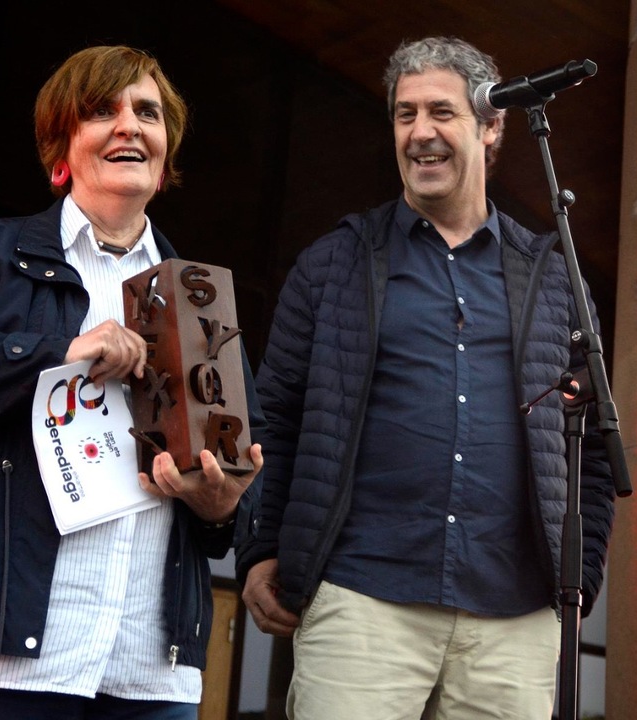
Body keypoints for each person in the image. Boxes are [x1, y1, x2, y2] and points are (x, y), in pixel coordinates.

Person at [0, 44, 264, 720]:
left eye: (148, 113)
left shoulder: (201, 304)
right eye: (102, 111)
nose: (130, 125)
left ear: (166, 153)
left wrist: (222, 505)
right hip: (1, 657)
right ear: (62, 149)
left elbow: (245, 476)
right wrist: (58, 353)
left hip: (148, 669)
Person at [236, 35, 616, 720]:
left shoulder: (554, 278)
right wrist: (261, 547)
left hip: (516, 617)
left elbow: (587, 439)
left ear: (492, 126)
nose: (419, 132)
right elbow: (275, 418)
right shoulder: (333, 264)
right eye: (405, 115)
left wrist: (580, 578)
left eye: (441, 112)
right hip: (361, 599)